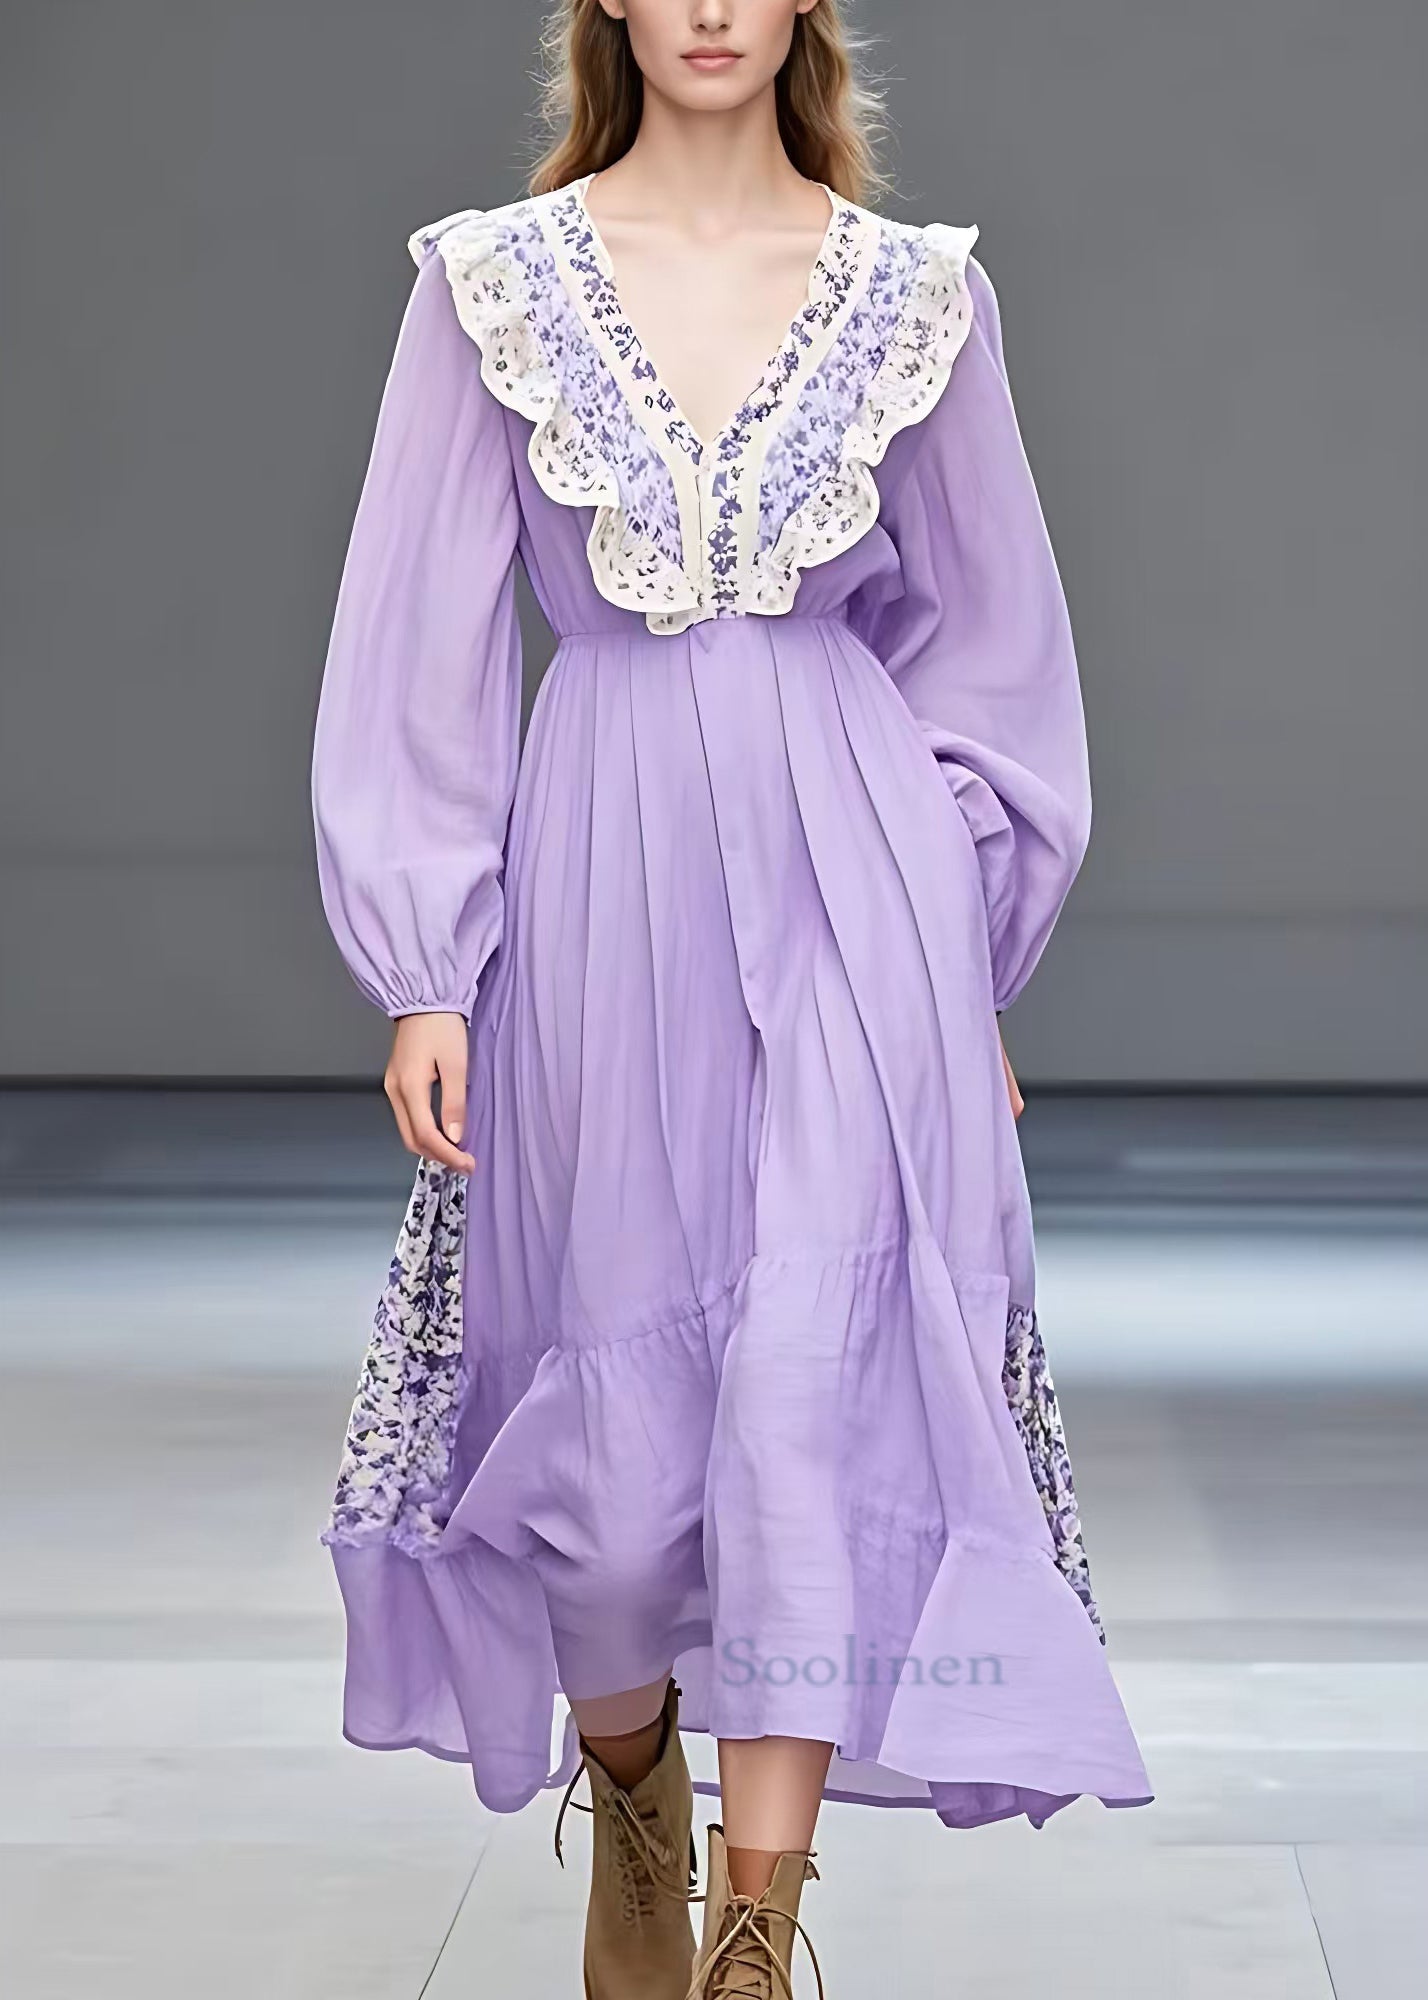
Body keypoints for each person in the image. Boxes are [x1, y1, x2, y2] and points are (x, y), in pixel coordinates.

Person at [310, 2, 1154, 1992]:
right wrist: (425, 963)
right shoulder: (492, 288)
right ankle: (633, 1796)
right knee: (606, 1497)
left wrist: (960, 952)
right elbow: (419, 637)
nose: (707, 6)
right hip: (599, 893)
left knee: (808, 1394)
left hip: (861, 893)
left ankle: (755, 1938)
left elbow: (994, 652)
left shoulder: (917, 299)